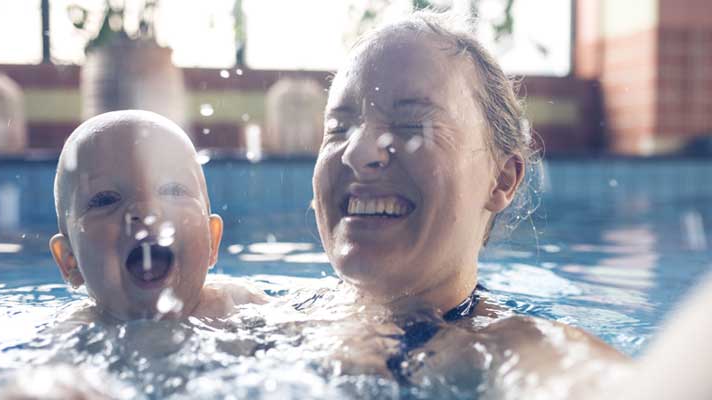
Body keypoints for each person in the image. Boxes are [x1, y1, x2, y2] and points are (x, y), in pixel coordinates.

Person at [309, 11, 629, 396]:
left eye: (412, 125)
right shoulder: (255, 313)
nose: (357, 152)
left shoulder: (513, 350)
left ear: (502, 179)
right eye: (338, 129)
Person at [50, 110, 265, 322]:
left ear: (212, 241)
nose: (146, 211)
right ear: (70, 261)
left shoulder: (238, 305)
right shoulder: (75, 334)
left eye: (173, 190)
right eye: (106, 199)